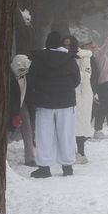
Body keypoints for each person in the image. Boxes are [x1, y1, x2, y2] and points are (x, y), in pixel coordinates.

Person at [25, 31, 80, 178]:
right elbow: (76, 80)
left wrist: (39, 92)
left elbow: (31, 81)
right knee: (66, 133)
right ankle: (67, 167)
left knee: (44, 134)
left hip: (44, 102)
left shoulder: (38, 59)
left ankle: (44, 167)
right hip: (66, 101)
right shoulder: (70, 59)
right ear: (60, 44)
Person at [64, 33, 93, 164]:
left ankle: (81, 153)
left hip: (81, 94)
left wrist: (70, 72)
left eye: (69, 45)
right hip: (67, 93)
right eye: (65, 45)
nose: (67, 47)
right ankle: (70, 151)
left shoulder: (84, 56)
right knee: (68, 124)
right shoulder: (62, 56)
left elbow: (86, 76)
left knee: (80, 124)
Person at [10, 53, 35, 167]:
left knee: (27, 130)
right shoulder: (8, 78)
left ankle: (30, 158)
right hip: (10, 106)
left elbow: (30, 93)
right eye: (20, 69)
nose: (22, 72)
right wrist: (14, 114)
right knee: (7, 131)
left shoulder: (28, 76)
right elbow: (12, 98)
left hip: (23, 105)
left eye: (24, 69)